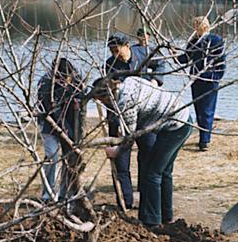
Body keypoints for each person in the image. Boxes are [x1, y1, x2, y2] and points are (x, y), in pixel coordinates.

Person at [92, 76, 193, 227]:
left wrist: (116, 151)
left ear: (107, 96)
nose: (102, 104)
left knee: (152, 173)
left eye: (101, 101)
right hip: (184, 118)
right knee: (164, 171)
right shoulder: (131, 80)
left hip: (174, 127)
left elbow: (129, 138)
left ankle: (152, 221)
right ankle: (167, 216)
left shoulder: (125, 103)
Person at [104, 32, 168, 209]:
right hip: (120, 117)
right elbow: (108, 90)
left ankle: (146, 194)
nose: (115, 54)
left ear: (127, 46)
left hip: (145, 117)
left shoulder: (144, 52)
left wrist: (156, 80)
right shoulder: (110, 65)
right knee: (121, 159)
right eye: (112, 51)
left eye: (117, 50)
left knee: (148, 154)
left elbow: (161, 63)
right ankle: (125, 200)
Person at [36, 58, 85, 201]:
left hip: (70, 125)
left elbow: (81, 101)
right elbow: (52, 113)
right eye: (61, 78)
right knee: (52, 156)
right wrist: (65, 131)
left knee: (69, 159)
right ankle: (48, 194)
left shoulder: (77, 80)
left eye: (67, 78)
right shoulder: (45, 84)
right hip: (49, 125)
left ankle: (65, 193)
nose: (64, 81)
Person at [177, 16, 226, 151]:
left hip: (210, 80)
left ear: (205, 26)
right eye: (195, 25)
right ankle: (203, 137)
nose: (195, 27)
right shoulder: (193, 42)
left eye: (197, 24)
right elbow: (186, 58)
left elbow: (221, 61)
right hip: (196, 79)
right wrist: (174, 56)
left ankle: (204, 141)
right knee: (198, 108)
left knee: (207, 110)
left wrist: (215, 77)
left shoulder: (215, 40)